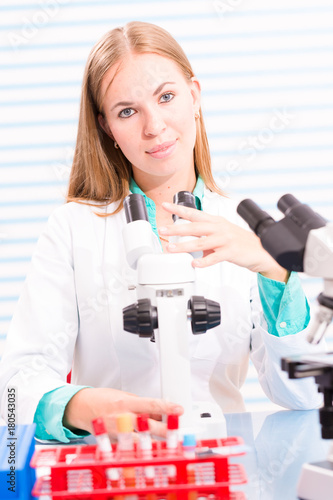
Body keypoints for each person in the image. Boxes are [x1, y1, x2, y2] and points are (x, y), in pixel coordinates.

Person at [0, 21, 323, 443]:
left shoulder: (245, 232)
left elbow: (301, 394)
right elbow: (15, 391)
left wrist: (274, 272)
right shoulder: (73, 228)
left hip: (220, 471)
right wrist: (90, 407)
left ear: (194, 97)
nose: (154, 127)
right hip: (119, 472)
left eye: (166, 97)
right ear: (107, 128)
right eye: (127, 111)